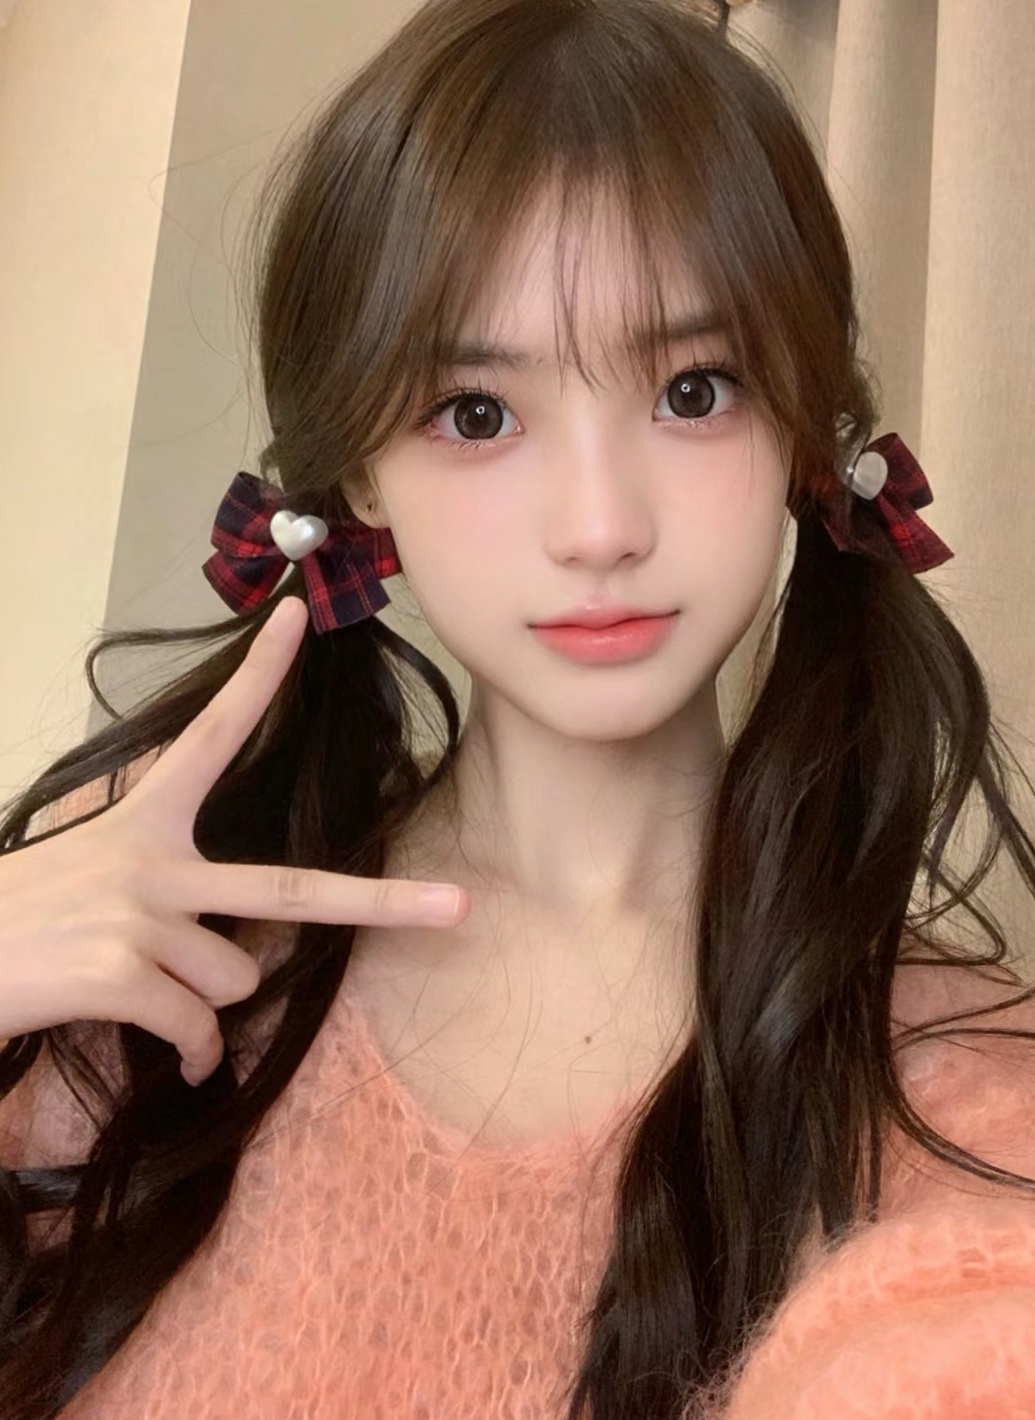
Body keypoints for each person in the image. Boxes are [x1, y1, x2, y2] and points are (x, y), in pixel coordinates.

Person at [2, 0, 1035, 1416]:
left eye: (694, 389)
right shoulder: (158, 941)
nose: (600, 526)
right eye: (478, 413)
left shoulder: (953, 1087)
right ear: (355, 473)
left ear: (808, 426)